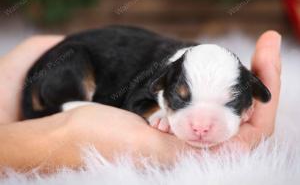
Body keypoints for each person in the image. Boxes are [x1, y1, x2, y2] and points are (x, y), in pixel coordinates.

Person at [0, 31, 281, 173]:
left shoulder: (202, 66)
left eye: (230, 103)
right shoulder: (163, 74)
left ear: (252, 97)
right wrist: (156, 112)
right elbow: (139, 100)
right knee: (75, 62)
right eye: (181, 102)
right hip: (72, 62)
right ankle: (63, 106)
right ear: (164, 87)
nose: (201, 126)